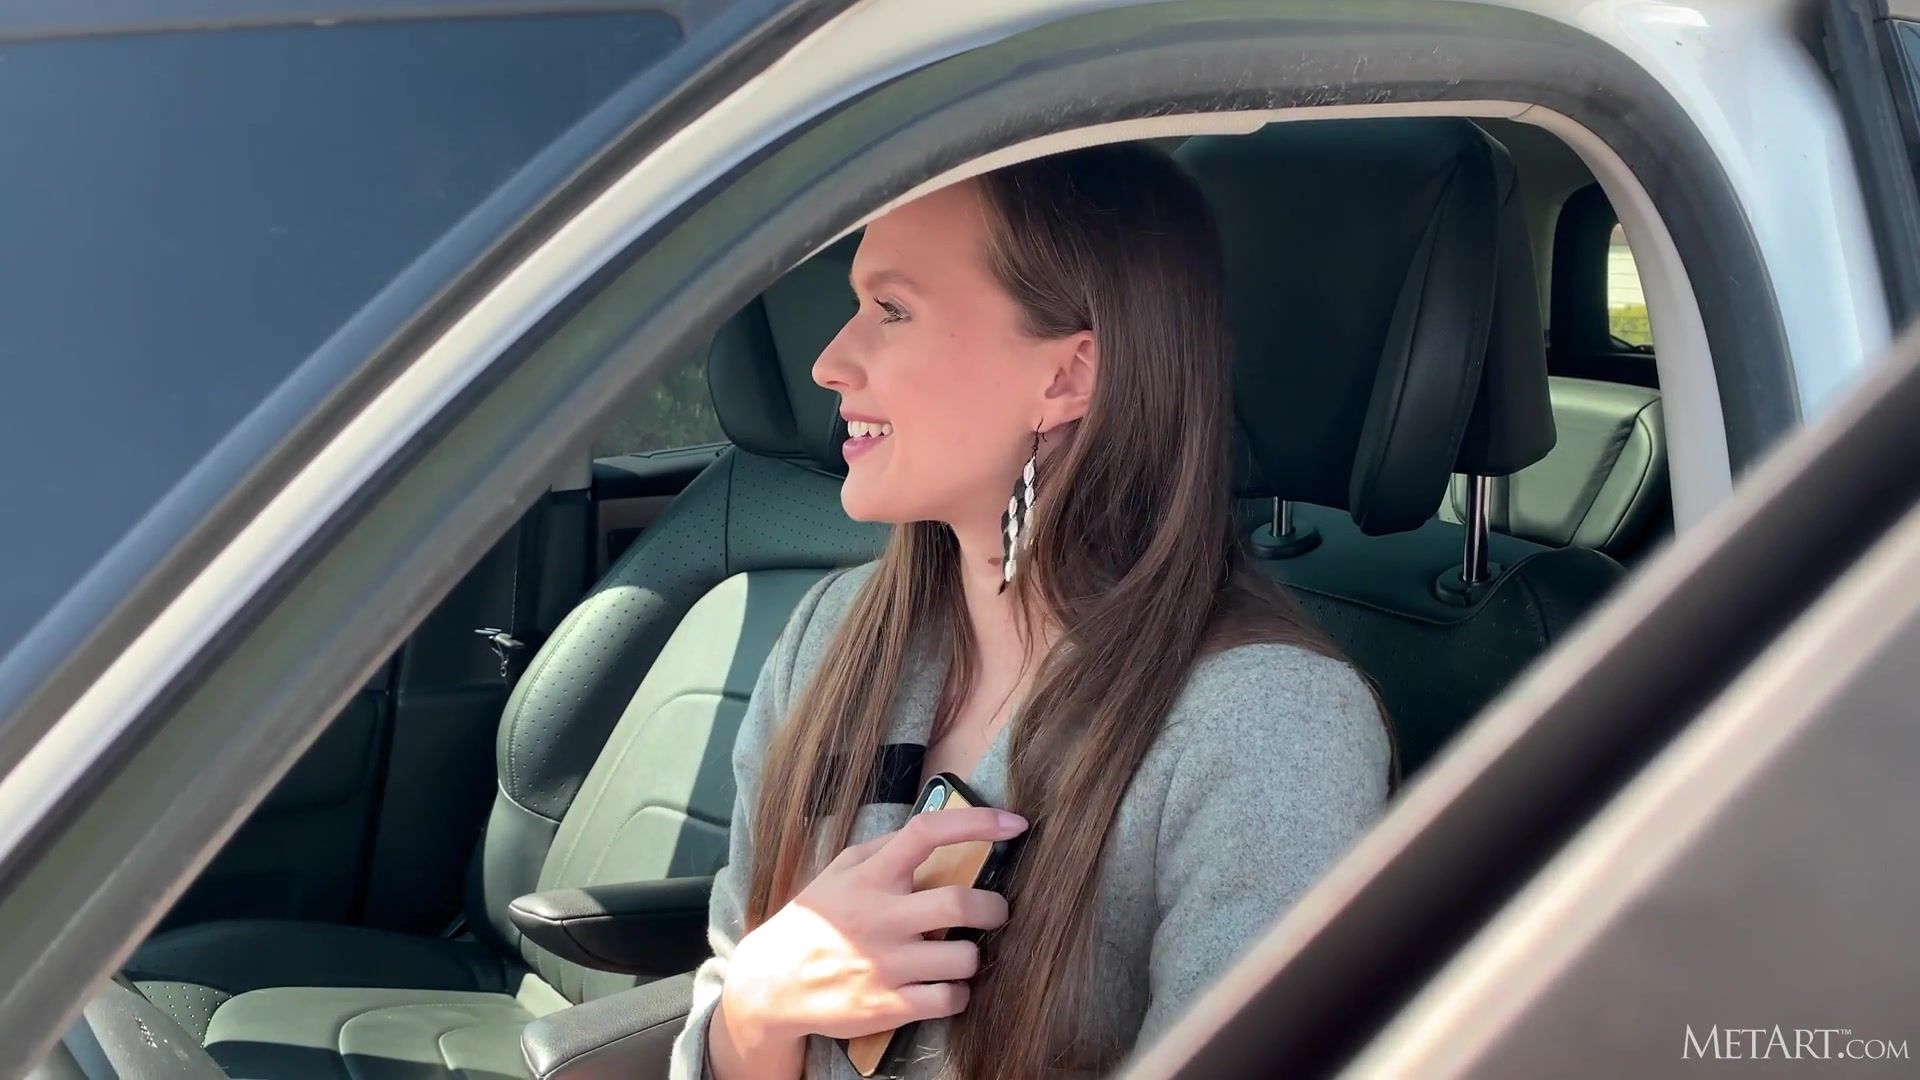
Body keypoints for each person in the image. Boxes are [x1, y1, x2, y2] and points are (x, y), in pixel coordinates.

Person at [669, 142, 1394, 1080]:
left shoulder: (1270, 724)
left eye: (892, 310)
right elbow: (733, 986)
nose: (829, 362)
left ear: (1066, 377)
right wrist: (759, 1008)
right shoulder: (831, 636)